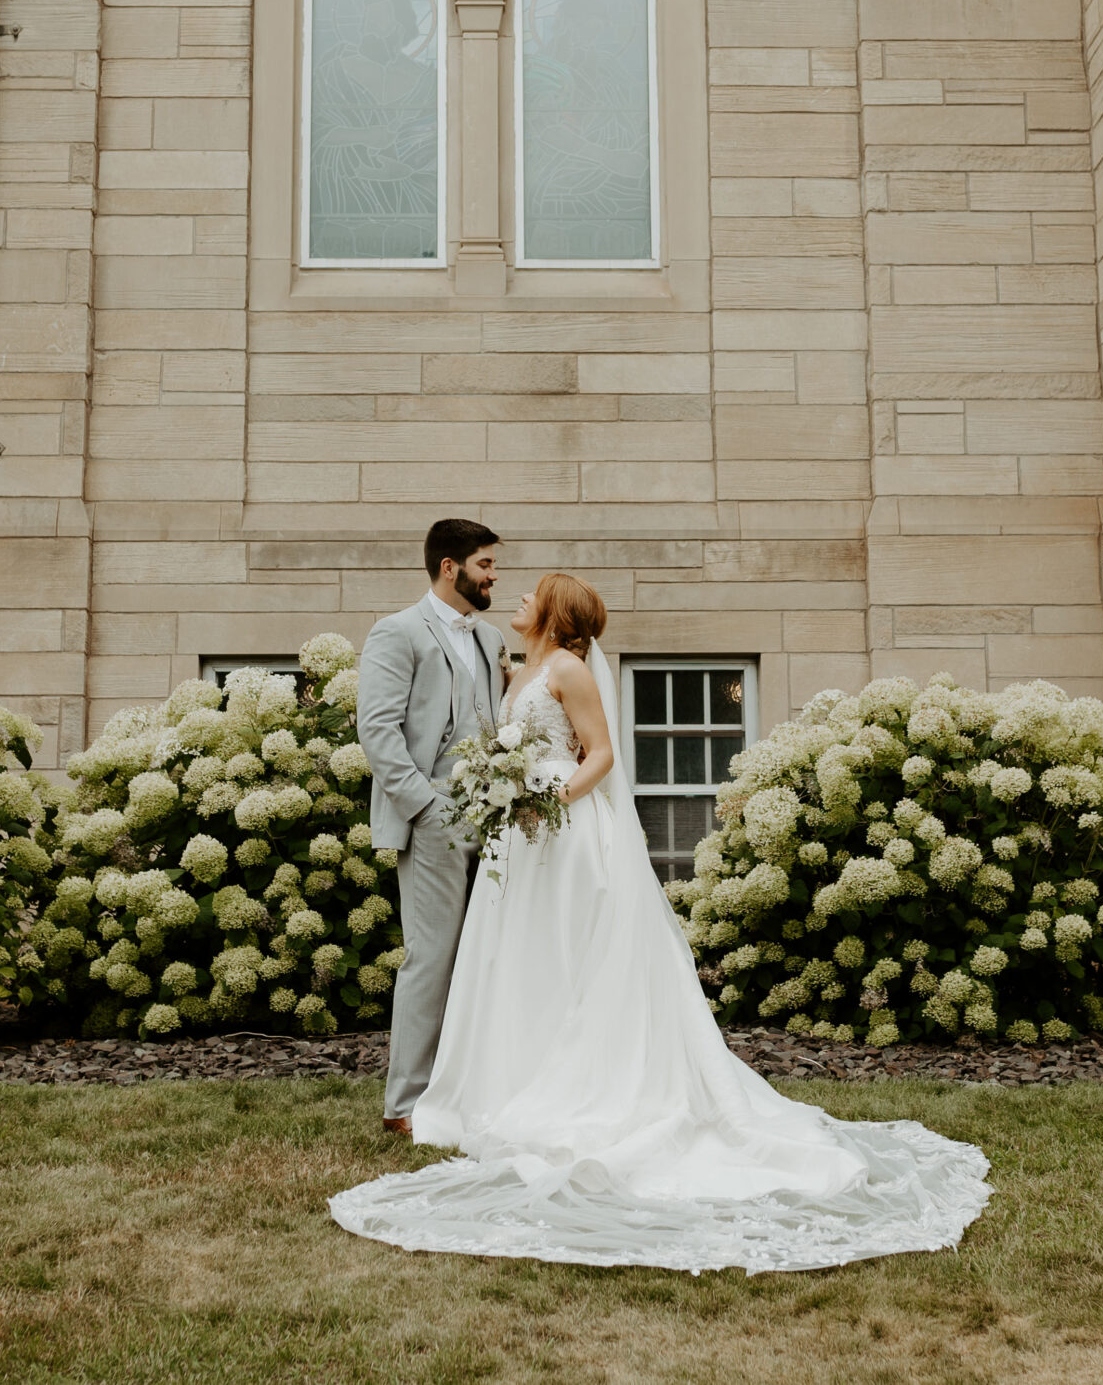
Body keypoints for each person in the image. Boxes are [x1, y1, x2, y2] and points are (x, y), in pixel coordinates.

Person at [331, 571, 991, 1273]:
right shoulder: (517, 668)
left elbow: (603, 754)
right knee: (520, 963)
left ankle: (581, 1089)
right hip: (518, 842)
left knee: (570, 956)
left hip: (561, 832)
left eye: (533, 594)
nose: (517, 597)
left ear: (554, 613)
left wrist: (545, 801)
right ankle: (510, 1079)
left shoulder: (570, 669)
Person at [354, 518, 506, 1136]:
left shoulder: (492, 637)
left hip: (494, 816)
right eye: (486, 564)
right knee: (433, 957)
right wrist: (425, 806)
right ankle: (406, 1108)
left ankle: (470, 1089)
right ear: (451, 567)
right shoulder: (397, 632)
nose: (494, 575)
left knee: (489, 956)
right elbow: (378, 731)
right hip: (433, 815)